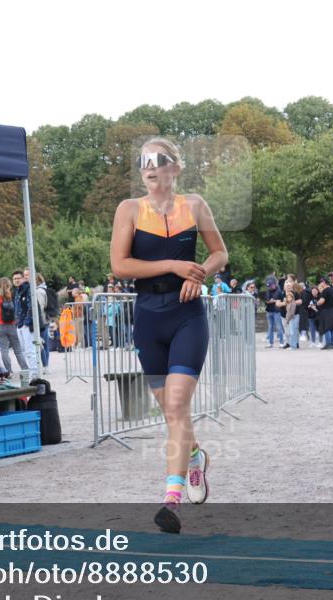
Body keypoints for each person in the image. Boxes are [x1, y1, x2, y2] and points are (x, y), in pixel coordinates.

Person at [109, 137, 228, 534]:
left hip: (186, 315)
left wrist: (200, 273)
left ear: (175, 168)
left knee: (176, 406)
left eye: (158, 159)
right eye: (143, 160)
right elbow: (120, 265)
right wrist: (175, 265)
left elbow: (220, 253)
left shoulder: (194, 205)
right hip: (148, 318)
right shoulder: (128, 209)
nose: (149, 166)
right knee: (171, 411)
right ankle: (195, 458)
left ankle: (171, 500)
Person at [0, 277, 29, 375]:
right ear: (10, 285)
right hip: (12, 326)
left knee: (4, 350)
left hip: (0, 326)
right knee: (18, 350)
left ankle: (9, 371)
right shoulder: (13, 296)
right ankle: (25, 369)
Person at [315, 279, 333, 350]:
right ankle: (331, 343)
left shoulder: (325, 291)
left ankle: (328, 344)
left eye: (321, 282)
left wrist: (316, 303)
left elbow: (321, 301)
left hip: (326, 311)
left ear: (324, 283)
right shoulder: (332, 290)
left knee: (326, 327)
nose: (320, 283)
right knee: (331, 327)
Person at [264, 275, 285, 348]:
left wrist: (274, 301)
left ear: (274, 284)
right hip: (269, 311)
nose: (269, 287)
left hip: (277, 311)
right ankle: (270, 343)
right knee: (270, 327)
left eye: (270, 286)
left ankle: (281, 342)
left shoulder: (279, 291)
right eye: (268, 286)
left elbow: (282, 300)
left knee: (279, 327)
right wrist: (269, 301)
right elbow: (266, 300)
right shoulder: (267, 291)